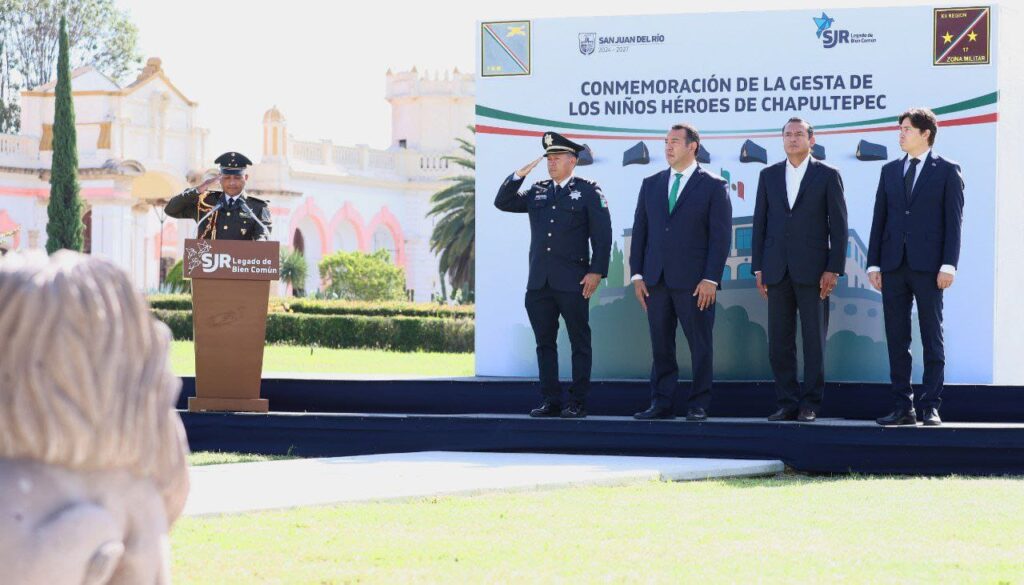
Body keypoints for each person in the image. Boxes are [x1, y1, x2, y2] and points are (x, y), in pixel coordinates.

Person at [494, 131, 612, 418]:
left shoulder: (588, 191)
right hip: (539, 283)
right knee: (544, 343)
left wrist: (596, 271)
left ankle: (577, 401)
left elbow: (603, 235)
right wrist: (518, 175)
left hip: (573, 281)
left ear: (573, 161)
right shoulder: (538, 190)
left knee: (578, 342)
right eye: (548, 158)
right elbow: (503, 202)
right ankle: (551, 400)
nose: (551, 163)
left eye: (557, 158)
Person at [867, 108, 964, 427]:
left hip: (930, 267)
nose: (901, 133)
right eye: (900, 128)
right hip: (893, 266)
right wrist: (874, 263)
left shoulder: (948, 170)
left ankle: (931, 406)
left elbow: (954, 223)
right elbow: (879, 218)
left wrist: (949, 264)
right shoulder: (889, 171)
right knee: (897, 338)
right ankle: (902, 408)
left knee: (931, 336)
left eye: (907, 128)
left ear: (926, 133)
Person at [630, 123, 732, 421]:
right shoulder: (651, 183)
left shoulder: (714, 185)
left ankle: (699, 403)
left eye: (674, 141)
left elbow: (720, 236)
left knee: (700, 344)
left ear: (693, 146)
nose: (668, 147)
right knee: (661, 344)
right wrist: (637, 275)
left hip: (696, 283)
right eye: (665, 142)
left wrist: (711, 277)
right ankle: (661, 402)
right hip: (656, 280)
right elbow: (641, 232)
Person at [752, 117, 848, 423]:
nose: (793, 139)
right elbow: (760, 225)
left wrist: (833, 268)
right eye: (788, 135)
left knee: (813, 340)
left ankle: (810, 404)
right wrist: (758, 268)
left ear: (811, 139)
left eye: (799, 134)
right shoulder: (768, 175)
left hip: (814, 271)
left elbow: (840, 226)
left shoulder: (828, 175)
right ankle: (787, 402)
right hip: (776, 270)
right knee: (779, 341)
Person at [164, 151, 272, 240]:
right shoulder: (205, 201)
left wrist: (260, 245)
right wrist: (197, 190)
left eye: (237, 178)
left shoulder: (259, 207)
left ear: (246, 178)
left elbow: (263, 236)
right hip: (208, 264)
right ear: (219, 178)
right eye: (227, 178)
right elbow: (171, 210)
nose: (232, 183)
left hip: (242, 265)